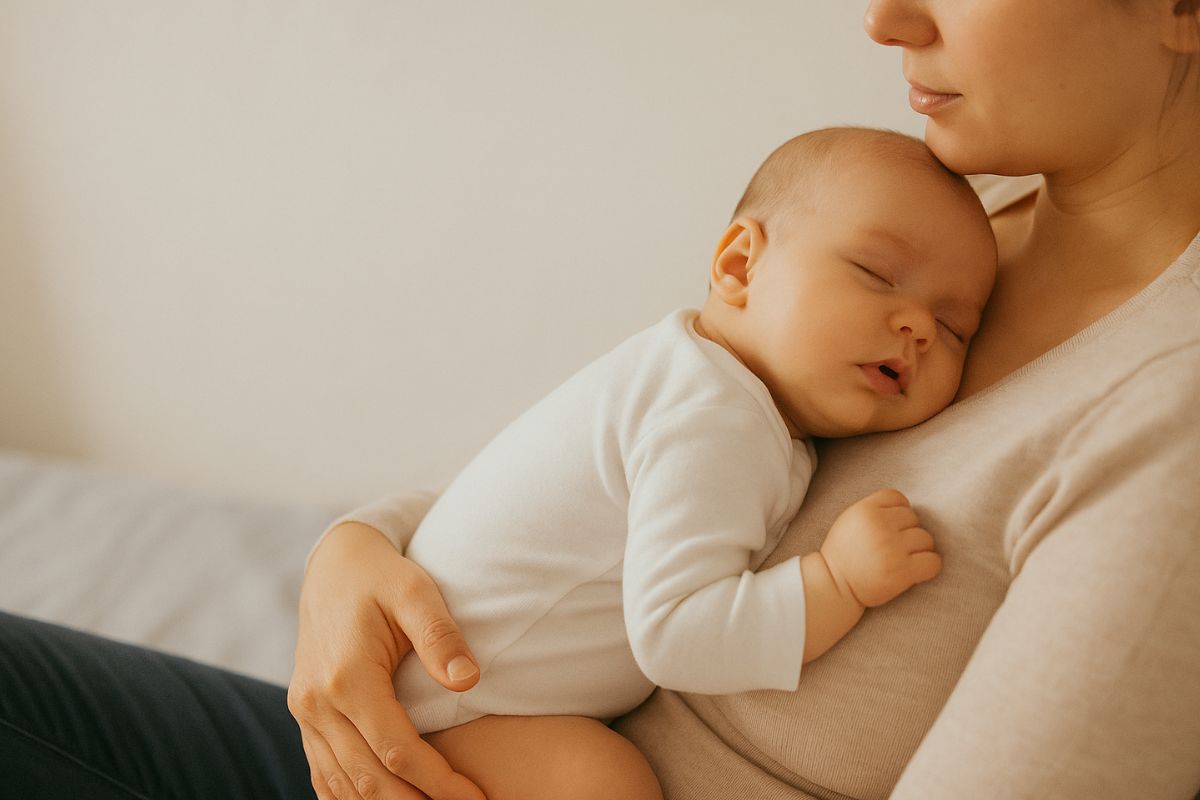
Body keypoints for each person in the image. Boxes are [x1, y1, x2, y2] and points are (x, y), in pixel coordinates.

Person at [0, 2, 1197, 800]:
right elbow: (629, 459)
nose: (884, 18)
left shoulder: (1166, 416)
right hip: (437, 737)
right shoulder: (962, 227)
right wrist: (361, 547)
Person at [305, 126, 994, 795]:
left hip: (434, 687)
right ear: (739, 267)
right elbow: (678, 636)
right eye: (877, 274)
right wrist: (836, 582)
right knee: (603, 783)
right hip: (446, 711)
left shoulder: (687, 374)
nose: (918, 327)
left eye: (955, 327)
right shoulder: (715, 417)